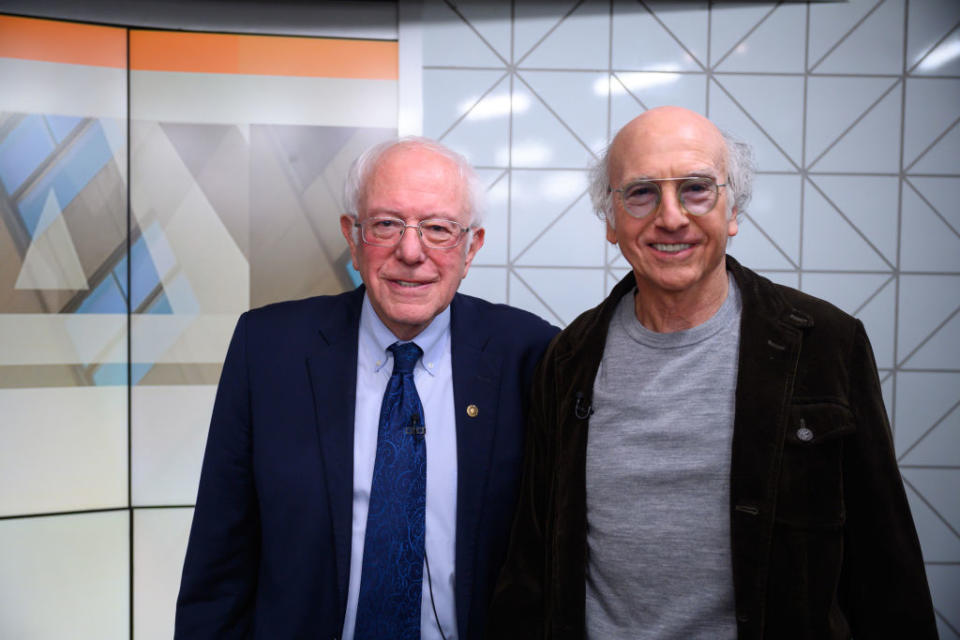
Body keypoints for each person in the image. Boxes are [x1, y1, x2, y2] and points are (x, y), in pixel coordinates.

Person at [487, 107, 938, 639]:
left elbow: (885, 563)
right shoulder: (569, 358)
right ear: (611, 221)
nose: (671, 217)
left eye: (696, 189)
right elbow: (532, 565)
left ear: (732, 211)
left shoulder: (823, 343)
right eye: (641, 193)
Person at [175, 137, 557, 639]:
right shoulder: (267, 351)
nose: (411, 252)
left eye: (439, 229)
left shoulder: (533, 355)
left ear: (472, 247)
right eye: (386, 225)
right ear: (352, 237)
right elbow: (219, 561)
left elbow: (555, 565)